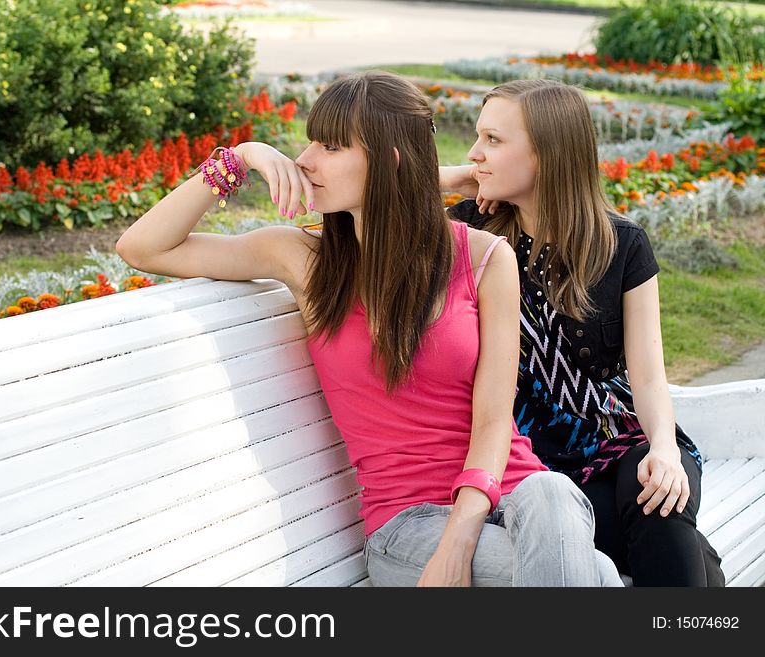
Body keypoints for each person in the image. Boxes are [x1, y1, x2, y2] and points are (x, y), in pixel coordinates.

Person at [115, 71, 622, 587]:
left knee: (553, 492)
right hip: (409, 522)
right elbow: (144, 248)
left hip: (513, 497)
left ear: (390, 162)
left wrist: (460, 542)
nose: (305, 160)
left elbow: (494, 421)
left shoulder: (485, 258)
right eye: (310, 143)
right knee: (596, 575)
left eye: (331, 146)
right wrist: (242, 157)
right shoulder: (305, 259)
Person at [443, 78, 725, 586]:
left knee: (657, 493)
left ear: (548, 155)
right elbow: (367, 207)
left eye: (493, 140)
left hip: (624, 435)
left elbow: (650, 374)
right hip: (538, 467)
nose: (475, 151)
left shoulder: (623, 244)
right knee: (665, 546)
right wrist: (462, 178)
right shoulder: (470, 233)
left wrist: (663, 446)